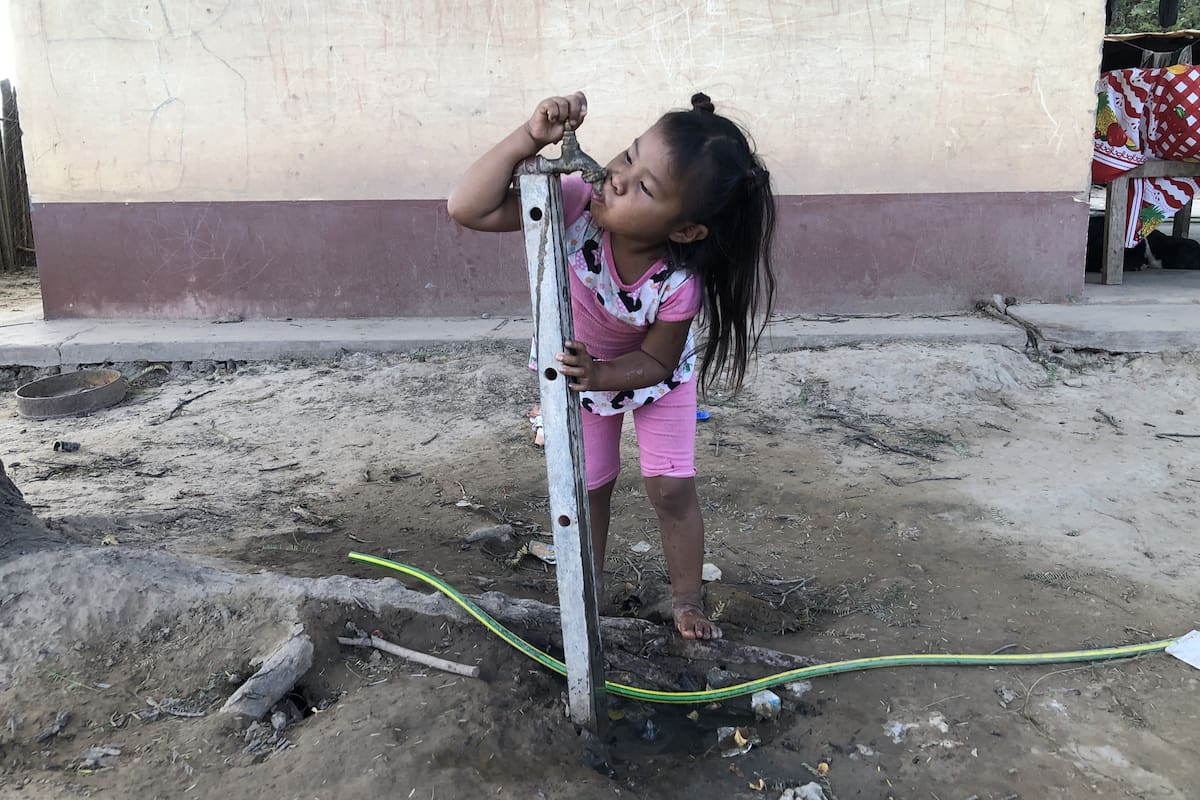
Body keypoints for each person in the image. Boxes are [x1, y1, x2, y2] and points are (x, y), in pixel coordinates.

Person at [447, 91, 776, 640]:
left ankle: (687, 598)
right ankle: (587, 588)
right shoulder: (574, 203)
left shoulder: (678, 283)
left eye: (646, 186)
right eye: (628, 155)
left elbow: (656, 359)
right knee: (586, 486)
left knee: (670, 488)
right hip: (581, 373)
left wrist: (602, 375)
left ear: (686, 229)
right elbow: (468, 206)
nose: (619, 177)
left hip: (653, 379)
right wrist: (531, 137)